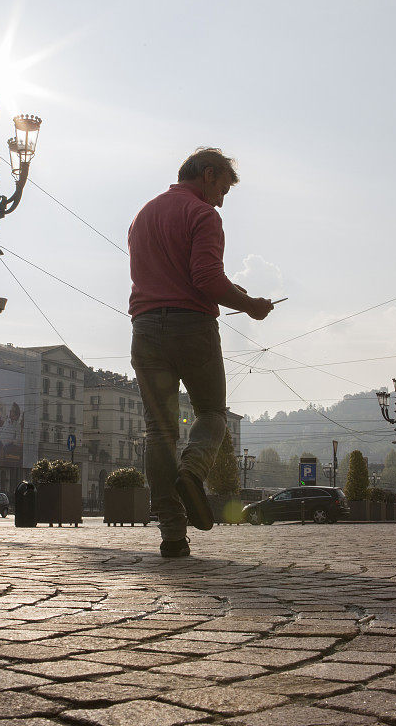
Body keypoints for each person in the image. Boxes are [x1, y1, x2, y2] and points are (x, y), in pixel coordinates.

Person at [129, 148, 274, 558]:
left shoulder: (142, 215)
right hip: (191, 327)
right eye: (223, 188)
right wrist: (250, 305)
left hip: (144, 328)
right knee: (211, 413)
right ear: (208, 175)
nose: (222, 199)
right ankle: (192, 473)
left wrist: (233, 292)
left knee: (159, 431)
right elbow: (206, 278)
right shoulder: (203, 214)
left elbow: (174, 272)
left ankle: (173, 535)